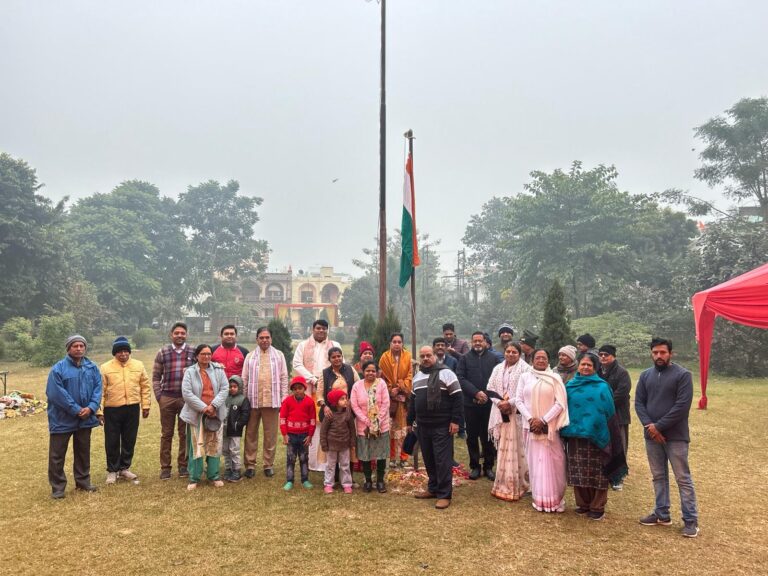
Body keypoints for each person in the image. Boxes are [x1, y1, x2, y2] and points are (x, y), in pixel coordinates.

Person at [635, 338, 699, 538]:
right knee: (658, 476)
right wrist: (650, 427)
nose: (659, 356)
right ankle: (662, 514)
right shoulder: (645, 376)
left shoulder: (683, 375)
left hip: (676, 436)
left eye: (663, 352)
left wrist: (658, 426)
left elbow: (682, 406)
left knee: (682, 478)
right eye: (655, 353)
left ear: (671, 353)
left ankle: (690, 521)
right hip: (651, 436)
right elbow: (639, 404)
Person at [560, 353, 628, 521]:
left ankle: (597, 506)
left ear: (595, 367)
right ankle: (583, 504)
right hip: (575, 435)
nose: (585, 367)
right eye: (583, 364)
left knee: (598, 472)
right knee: (578, 470)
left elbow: (609, 412)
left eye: (589, 365)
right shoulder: (570, 385)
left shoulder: (602, 387)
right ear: (578, 365)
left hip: (598, 437)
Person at [46, 335, 102, 499]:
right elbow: (56, 393)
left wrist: (91, 408)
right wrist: (76, 409)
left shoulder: (92, 367)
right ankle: (58, 488)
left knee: (83, 452)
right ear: (68, 348)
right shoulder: (58, 369)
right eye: (75, 346)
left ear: (85, 348)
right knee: (57, 455)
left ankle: (83, 482)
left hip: (85, 419)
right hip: (62, 419)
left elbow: (98, 389)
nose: (78, 349)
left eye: (81, 346)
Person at [408, 346, 463, 510]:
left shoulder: (447, 373)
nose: (425, 358)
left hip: (442, 426)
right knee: (429, 459)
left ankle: (444, 494)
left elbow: (458, 398)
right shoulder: (417, 377)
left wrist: (455, 421)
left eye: (428, 355)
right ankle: (433, 488)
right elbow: (413, 401)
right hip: (423, 426)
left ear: (435, 356)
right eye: (422, 356)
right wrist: (409, 421)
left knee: (442, 460)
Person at [515, 349, 569, 513]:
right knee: (534, 462)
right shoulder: (525, 377)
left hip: (549, 428)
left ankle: (553, 499)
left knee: (553, 462)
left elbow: (560, 403)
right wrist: (531, 419)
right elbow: (518, 400)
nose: (540, 360)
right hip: (529, 426)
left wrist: (543, 420)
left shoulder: (555, 378)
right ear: (532, 360)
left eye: (543, 358)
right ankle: (539, 498)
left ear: (548, 360)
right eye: (537, 357)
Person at [98, 336, 151, 485]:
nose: (123, 354)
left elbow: (145, 386)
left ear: (129, 352)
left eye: (126, 351)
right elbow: (100, 390)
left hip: (132, 407)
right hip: (112, 409)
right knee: (112, 440)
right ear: (114, 353)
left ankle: (125, 468)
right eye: (119, 352)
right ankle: (112, 470)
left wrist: (146, 406)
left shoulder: (138, 365)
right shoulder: (105, 368)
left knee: (129, 439)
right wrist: (99, 411)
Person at [292, 319, 341, 471]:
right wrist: (312, 379)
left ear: (327, 330)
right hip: (309, 389)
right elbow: (297, 364)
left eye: (324, 329)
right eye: (318, 328)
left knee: (328, 424)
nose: (321, 331)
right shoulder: (303, 345)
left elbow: (340, 363)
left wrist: (325, 382)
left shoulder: (335, 345)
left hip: (329, 391)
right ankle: (312, 462)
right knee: (312, 424)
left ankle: (328, 463)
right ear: (312, 329)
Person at [241, 327, 289, 478]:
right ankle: (250, 465)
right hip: (252, 401)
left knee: (270, 435)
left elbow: (284, 378)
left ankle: (268, 464)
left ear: (271, 339)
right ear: (257, 339)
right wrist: (243, 400)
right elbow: (244, 379)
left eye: (267, 337)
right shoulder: (250, 356)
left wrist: (284, 398)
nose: (264, 340)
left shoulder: (279, 356)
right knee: (250, 434)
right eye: (261, 338)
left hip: (272, 401)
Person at [180, 344, 229, 490]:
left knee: (214, 445)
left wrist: (213, 406)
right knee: (197, 445)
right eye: (203, 354)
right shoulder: (190, 372)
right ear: (197, 356)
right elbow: (187, 393)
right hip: (196, 414)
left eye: (209, 354)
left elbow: (224, 388)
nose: (206, 356)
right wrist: (203, 407)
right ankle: (194, 477)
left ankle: (213, 475)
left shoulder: (219, 370)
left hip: (215, 413)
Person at [486, 342, 530, 502]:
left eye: (514, 352)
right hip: (500, 412)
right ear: (504, 352)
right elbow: (489, 387)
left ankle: (522, 483)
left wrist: (510, 403)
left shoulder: (526, 369)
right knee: (504, 447)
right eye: (508, 351)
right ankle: (504, 481)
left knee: (519, 447)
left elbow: (527, 391)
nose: (511, 354)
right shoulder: (497, 368)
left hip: (517, 413)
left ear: (520, 354)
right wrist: (499, 403)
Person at [152, 322, 196, 480]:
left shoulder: (193, 351)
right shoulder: (163, 352)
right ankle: (165, 467)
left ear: (186, 335)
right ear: (171, 334)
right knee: (166, 434)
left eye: (182, 333)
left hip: (186, 399)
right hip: (168, 398)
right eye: (177, 333)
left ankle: (183, 466)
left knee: (185, 434)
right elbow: (156, 377)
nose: (180, 335)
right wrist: (159, 396)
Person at [457, 331, 501, 480]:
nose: (477, 343)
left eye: (480, 341)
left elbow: (497, 380)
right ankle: (475, 466)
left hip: (489, 404)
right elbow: (460, 378)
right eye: (474, 341)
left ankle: (488, 467)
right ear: (471, 342)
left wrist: (486, 395)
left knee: (487, 436)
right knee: (472, 436)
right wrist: (476, 393)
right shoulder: (464, 359)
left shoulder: (494, 359)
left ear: (485, 342)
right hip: (470, 404)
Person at [350, 360, 391, 493]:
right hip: (364, 426)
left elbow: (385, 403)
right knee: (366, 454)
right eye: (368, 370)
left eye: (373, 371)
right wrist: (367, 421)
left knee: (381, 455)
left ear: (377, 372)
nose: (370, 373)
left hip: (381, 426)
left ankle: (380, 481)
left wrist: (377, 420)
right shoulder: (357, 386)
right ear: (363, 371)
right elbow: (354, 405)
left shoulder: (381, 384)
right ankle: (367, 481)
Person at [598, 344, 632, 490]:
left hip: (618, 416)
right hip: (600, 416)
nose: (603, 357)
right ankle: (603, 472)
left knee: (619, 446)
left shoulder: (622, 373)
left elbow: (621, 393)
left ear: (614, 356)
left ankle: (618, 477)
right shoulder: (597, 371)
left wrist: (604, 406)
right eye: (601, 355)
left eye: (607, 354)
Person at [378, 333, 413, 467]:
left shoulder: (408, 357)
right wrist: (389, 390)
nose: (397, 344)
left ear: (402, 343)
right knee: (391, 430)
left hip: (403, 399)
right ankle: (392, 458)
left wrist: (399, 388)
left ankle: (404, 457)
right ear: (390, 344)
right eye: (394, 342)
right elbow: (381, 377)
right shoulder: (384, 357)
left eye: (399, 342)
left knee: (404, 429)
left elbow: (410, 376)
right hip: (389, 400)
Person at [280, 376, 316, 490]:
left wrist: (310, 436)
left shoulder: (310, 402)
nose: (297, 390)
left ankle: (305, 480)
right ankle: (289, 481)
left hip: (304, 436)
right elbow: (282, 419)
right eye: (295, 388)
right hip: (291, 435)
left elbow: (312, 420)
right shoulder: (287, 401)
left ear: (304, 388)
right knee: (290, 458)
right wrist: (285, 434)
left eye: (300, 388)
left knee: (304, 458)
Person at [320, 388, 356, 494]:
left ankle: (347, 484)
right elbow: (323, 431)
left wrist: (352, 442)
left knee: (345, 465)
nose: (345, 401)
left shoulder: (348, 413)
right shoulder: (329, 415)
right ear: (335, 402)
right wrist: (324, 444)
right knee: (330, 465)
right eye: (342, 399)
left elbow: (352, 429)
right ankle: (328, 484)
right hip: (331, 445)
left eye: (346, 398)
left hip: (345, 445)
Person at [223, 375, 251, 482]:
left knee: (234, 450)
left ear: (239, 387)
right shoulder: (226, 398)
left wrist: (237, 424)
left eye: (235, 386)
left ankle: (237, 470)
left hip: (235, 430)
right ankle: (228, 468)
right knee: (225, 450)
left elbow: (245, 414)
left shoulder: (243, 400)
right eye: (230, 387)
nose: (232, 389)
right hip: (225, 429)